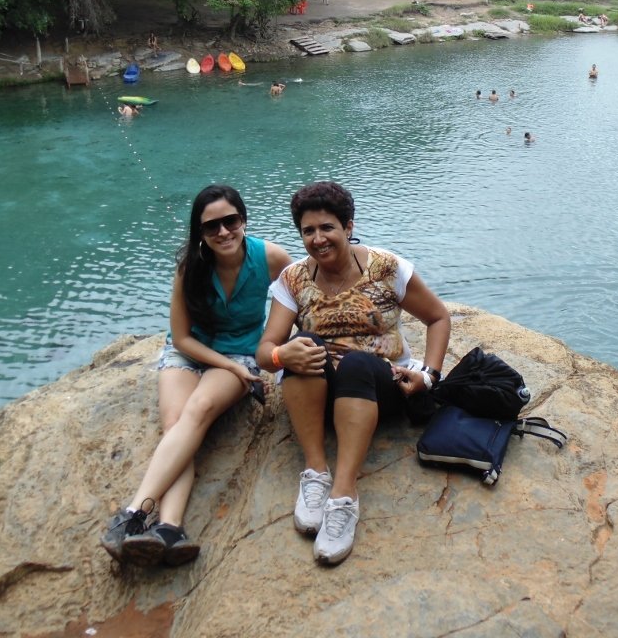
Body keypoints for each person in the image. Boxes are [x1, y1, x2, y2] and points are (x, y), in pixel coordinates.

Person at [257, 182, 449, 565]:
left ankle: (344, 495)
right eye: (308, 231)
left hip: (378, 388)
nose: (318, 239)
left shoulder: (386, 268)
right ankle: (315, 472)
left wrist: (429, 375)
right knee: (304, 345)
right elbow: (265, 351)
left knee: (358, 363)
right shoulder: (293, 279)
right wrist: (281, 354)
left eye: (327, 227)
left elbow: (438, 317)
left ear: (348, 227)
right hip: (319, 394)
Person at [101, 185, 292, 567]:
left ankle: (133, 514)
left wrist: (271, 357)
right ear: (199, 232)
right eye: (211, 226)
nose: (222, 232)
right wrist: (229, 367)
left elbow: (299, 300)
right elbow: (182, 337)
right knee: (176, 425)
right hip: (190, 352)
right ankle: (169, 528)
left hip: (240, 354)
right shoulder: (191, 266)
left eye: (230, 221)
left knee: (199, 408)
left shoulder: (271, 257)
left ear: (243, 219)